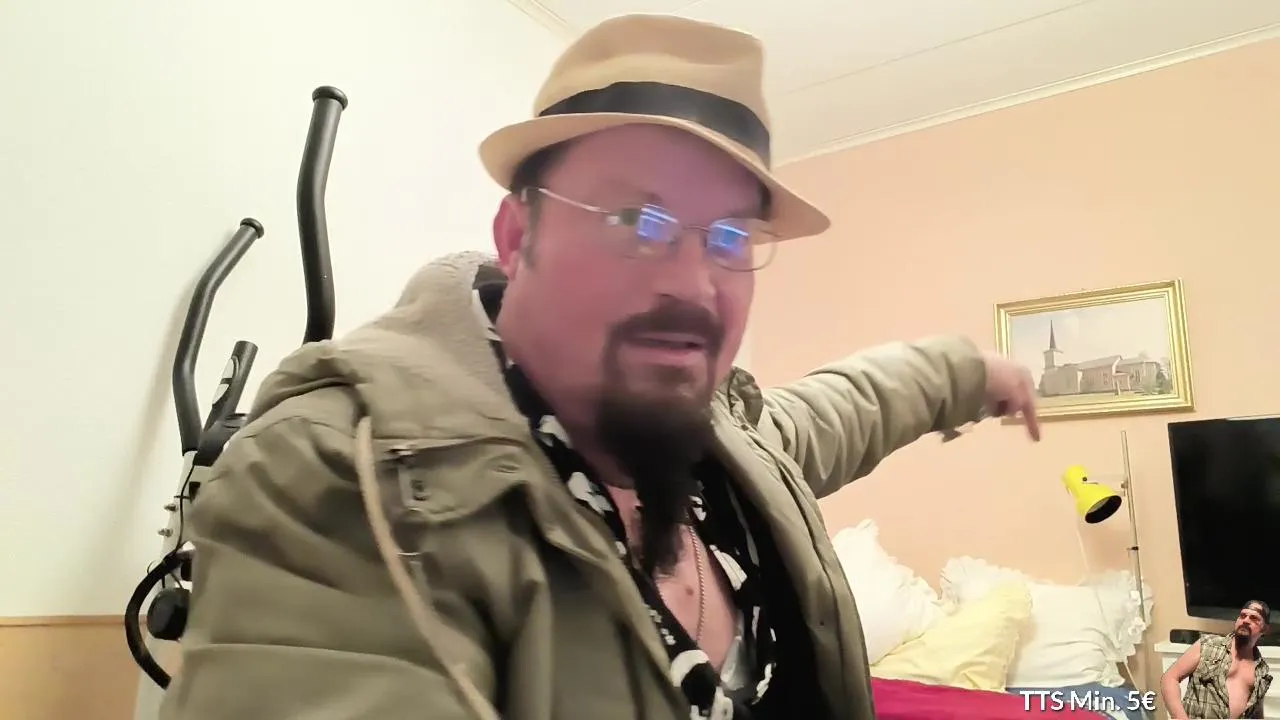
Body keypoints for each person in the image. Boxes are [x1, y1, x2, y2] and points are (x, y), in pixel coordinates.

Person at [158, 13, 1041, 720]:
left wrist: (966, 372)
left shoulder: (723, 450)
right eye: (634, 220)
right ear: (519, 234)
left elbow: (841, 410)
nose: (693, 282)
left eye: (729, 237)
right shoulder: (342, 477)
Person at [1161, 600, 1274, 719]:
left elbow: (1257, 713)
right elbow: (1170, 677)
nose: (1245, 620)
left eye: (1254, 618)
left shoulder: (1261, 671)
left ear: (1265, 629)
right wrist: (1180, 717)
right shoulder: (1208, 645)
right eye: (1242, 615)